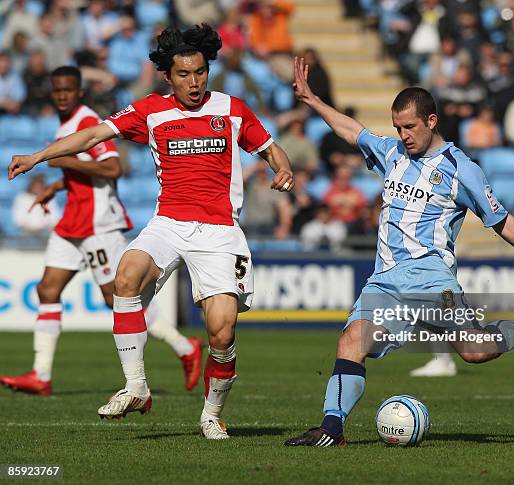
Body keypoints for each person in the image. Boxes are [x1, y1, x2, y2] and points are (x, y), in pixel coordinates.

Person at [7, 25, 294, 439]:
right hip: (169, 223)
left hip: (219, 231)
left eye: (200, 72)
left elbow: (269, 147)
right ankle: (136, 386)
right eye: (184, 74)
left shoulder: (232, 108)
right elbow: (91, 135)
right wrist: (37, 156)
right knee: (126, 276)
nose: (194, 82)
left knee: (222, 331)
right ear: (168, 76)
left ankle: (212, 414)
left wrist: (282, 168)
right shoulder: (150, 111)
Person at [284, 58, 514, 447]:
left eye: (410, 127)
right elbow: (352, 132)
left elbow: (501, 219)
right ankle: (331, 429)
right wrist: (312, 100)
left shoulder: (461, 168)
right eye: (397, 128)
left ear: (431, 121)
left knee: (475, 351)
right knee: (351, 341)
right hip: (385, 283)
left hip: (432, 281)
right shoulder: (392, 154)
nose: (403, 135)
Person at [0, 66, 203, 396]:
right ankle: (41, 374)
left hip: (98, 223)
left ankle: (185, 347)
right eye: (57, 91)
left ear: (80, 91)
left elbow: (113, 167)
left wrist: (68, 164)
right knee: (47, 290)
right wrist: (58, 185)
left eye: (68, 90)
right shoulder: (67, 123)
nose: (62, 95)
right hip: (73, 220)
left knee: (117, 297)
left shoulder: (85, 121)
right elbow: (82, 169)